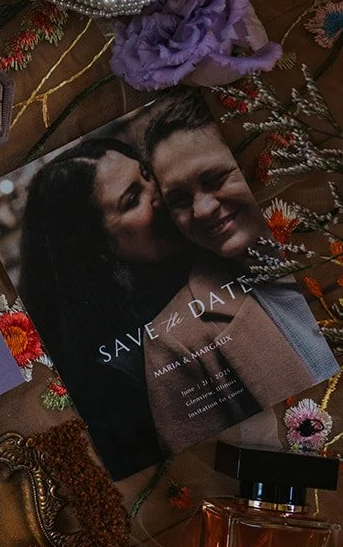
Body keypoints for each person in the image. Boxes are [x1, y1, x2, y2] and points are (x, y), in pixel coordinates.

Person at [140, 91, 336, 452]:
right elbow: (209, 467)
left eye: (215, 179)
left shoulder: (328, 222)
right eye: (180, 200)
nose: (202, 209)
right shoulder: (174, 338)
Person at [19, 133, 190, 478]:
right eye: (132, 199)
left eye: (146, 174)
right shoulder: (109, 377)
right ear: (96, 249)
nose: (158, 192)